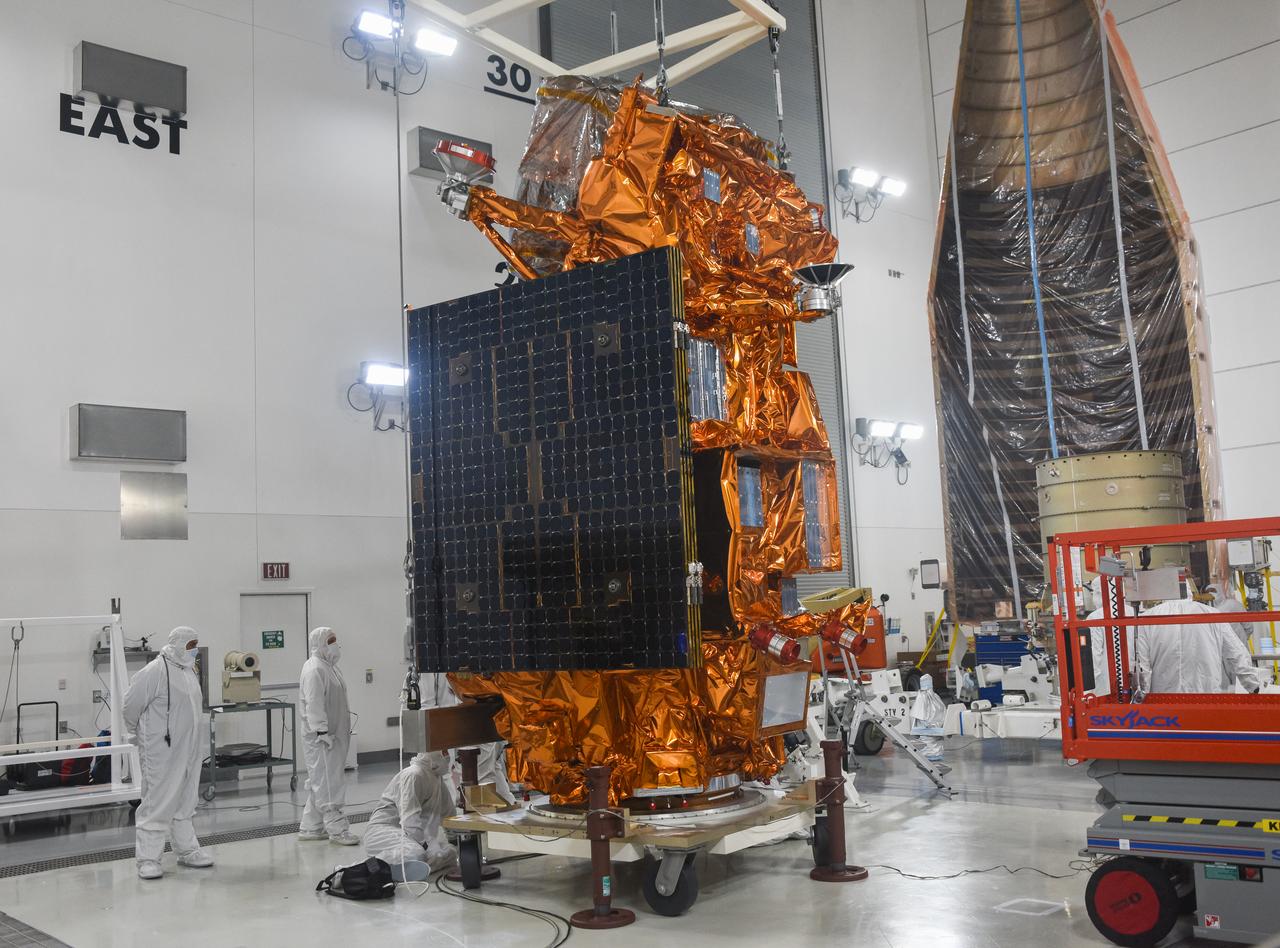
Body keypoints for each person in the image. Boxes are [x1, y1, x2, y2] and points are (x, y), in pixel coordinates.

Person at [122, 626, 215, 880]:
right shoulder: (155, 670)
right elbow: (130, 704)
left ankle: (186, 849)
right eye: (190, 645)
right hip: (161, 750)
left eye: (196, 644)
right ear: (177, 645)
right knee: (158, 801)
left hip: (189, 748)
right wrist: (135, 732)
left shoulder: (187, 671)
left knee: (186, 800)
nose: (194, 649)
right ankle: (148, 858)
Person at [298, 627, 357, 845]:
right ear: (320, 644)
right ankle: (337, 828)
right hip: (323, 737)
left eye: (335, 640)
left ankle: (311, 827)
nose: (335, 644)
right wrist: (321, 730)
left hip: (334, 733)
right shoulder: (315, 669)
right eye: (331, 641)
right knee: (329, 782)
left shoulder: (330, 667)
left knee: (322, 780)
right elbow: (313, 703)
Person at [1135, 599, 1267, 694]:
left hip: (1165, 704)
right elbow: (1237, 654)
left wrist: (1142, 697)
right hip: (1206, 698)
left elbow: (1142, 666)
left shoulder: (1147, 618)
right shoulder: (1212, 614)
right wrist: (1253, 687)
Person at [363, 751, 457, 872]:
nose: (448, 756)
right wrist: (426, 847)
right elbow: (409, 822)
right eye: (444, 752)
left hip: (413, 839)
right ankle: (354, 870)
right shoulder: (414, 774)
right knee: (415, 854)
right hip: (384, 832)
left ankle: (410, 868)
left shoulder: (436, 778)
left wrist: (458, 840)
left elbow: (449, 814)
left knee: (451, 852)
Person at [1204, 583, 1254, 648]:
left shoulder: (1233, 604)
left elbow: (1248, 625)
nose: (1210, 594)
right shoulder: (1206, 611)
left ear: (1220, 592)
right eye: (1208, 592)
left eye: (1213, 591)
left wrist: (1242, 637)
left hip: (1239, 647)